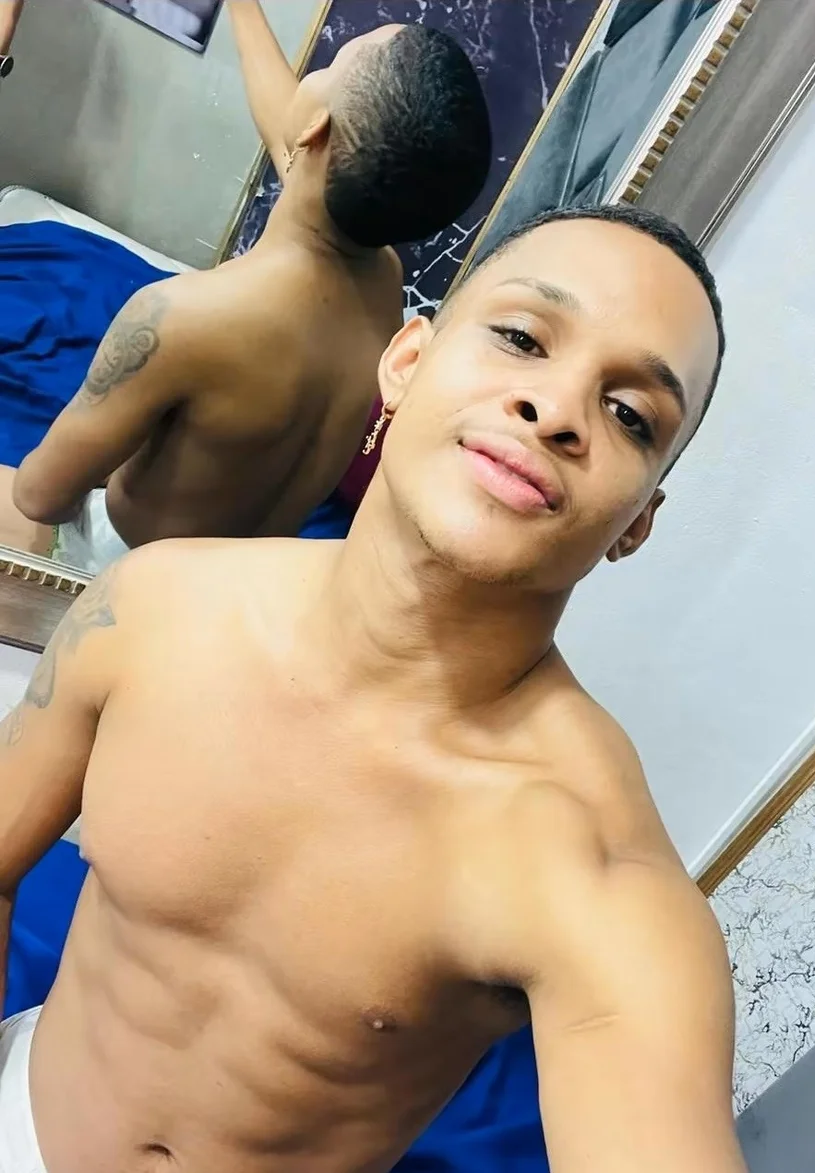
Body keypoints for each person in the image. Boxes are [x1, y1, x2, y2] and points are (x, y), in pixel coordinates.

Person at [0, 203, 746, 1173]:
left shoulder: (592, 867)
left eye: (629, 414)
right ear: (406, 362)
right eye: (522, 338)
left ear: (637, 521)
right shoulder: (149, 608)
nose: (557, 409)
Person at [6, 4, 491, 573]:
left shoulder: (182, 316)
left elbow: (41, 496)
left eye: (330, 64)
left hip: (128, 568)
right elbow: (301, 135)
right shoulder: (385, 283)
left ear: (313, 131)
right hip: (240, 575)